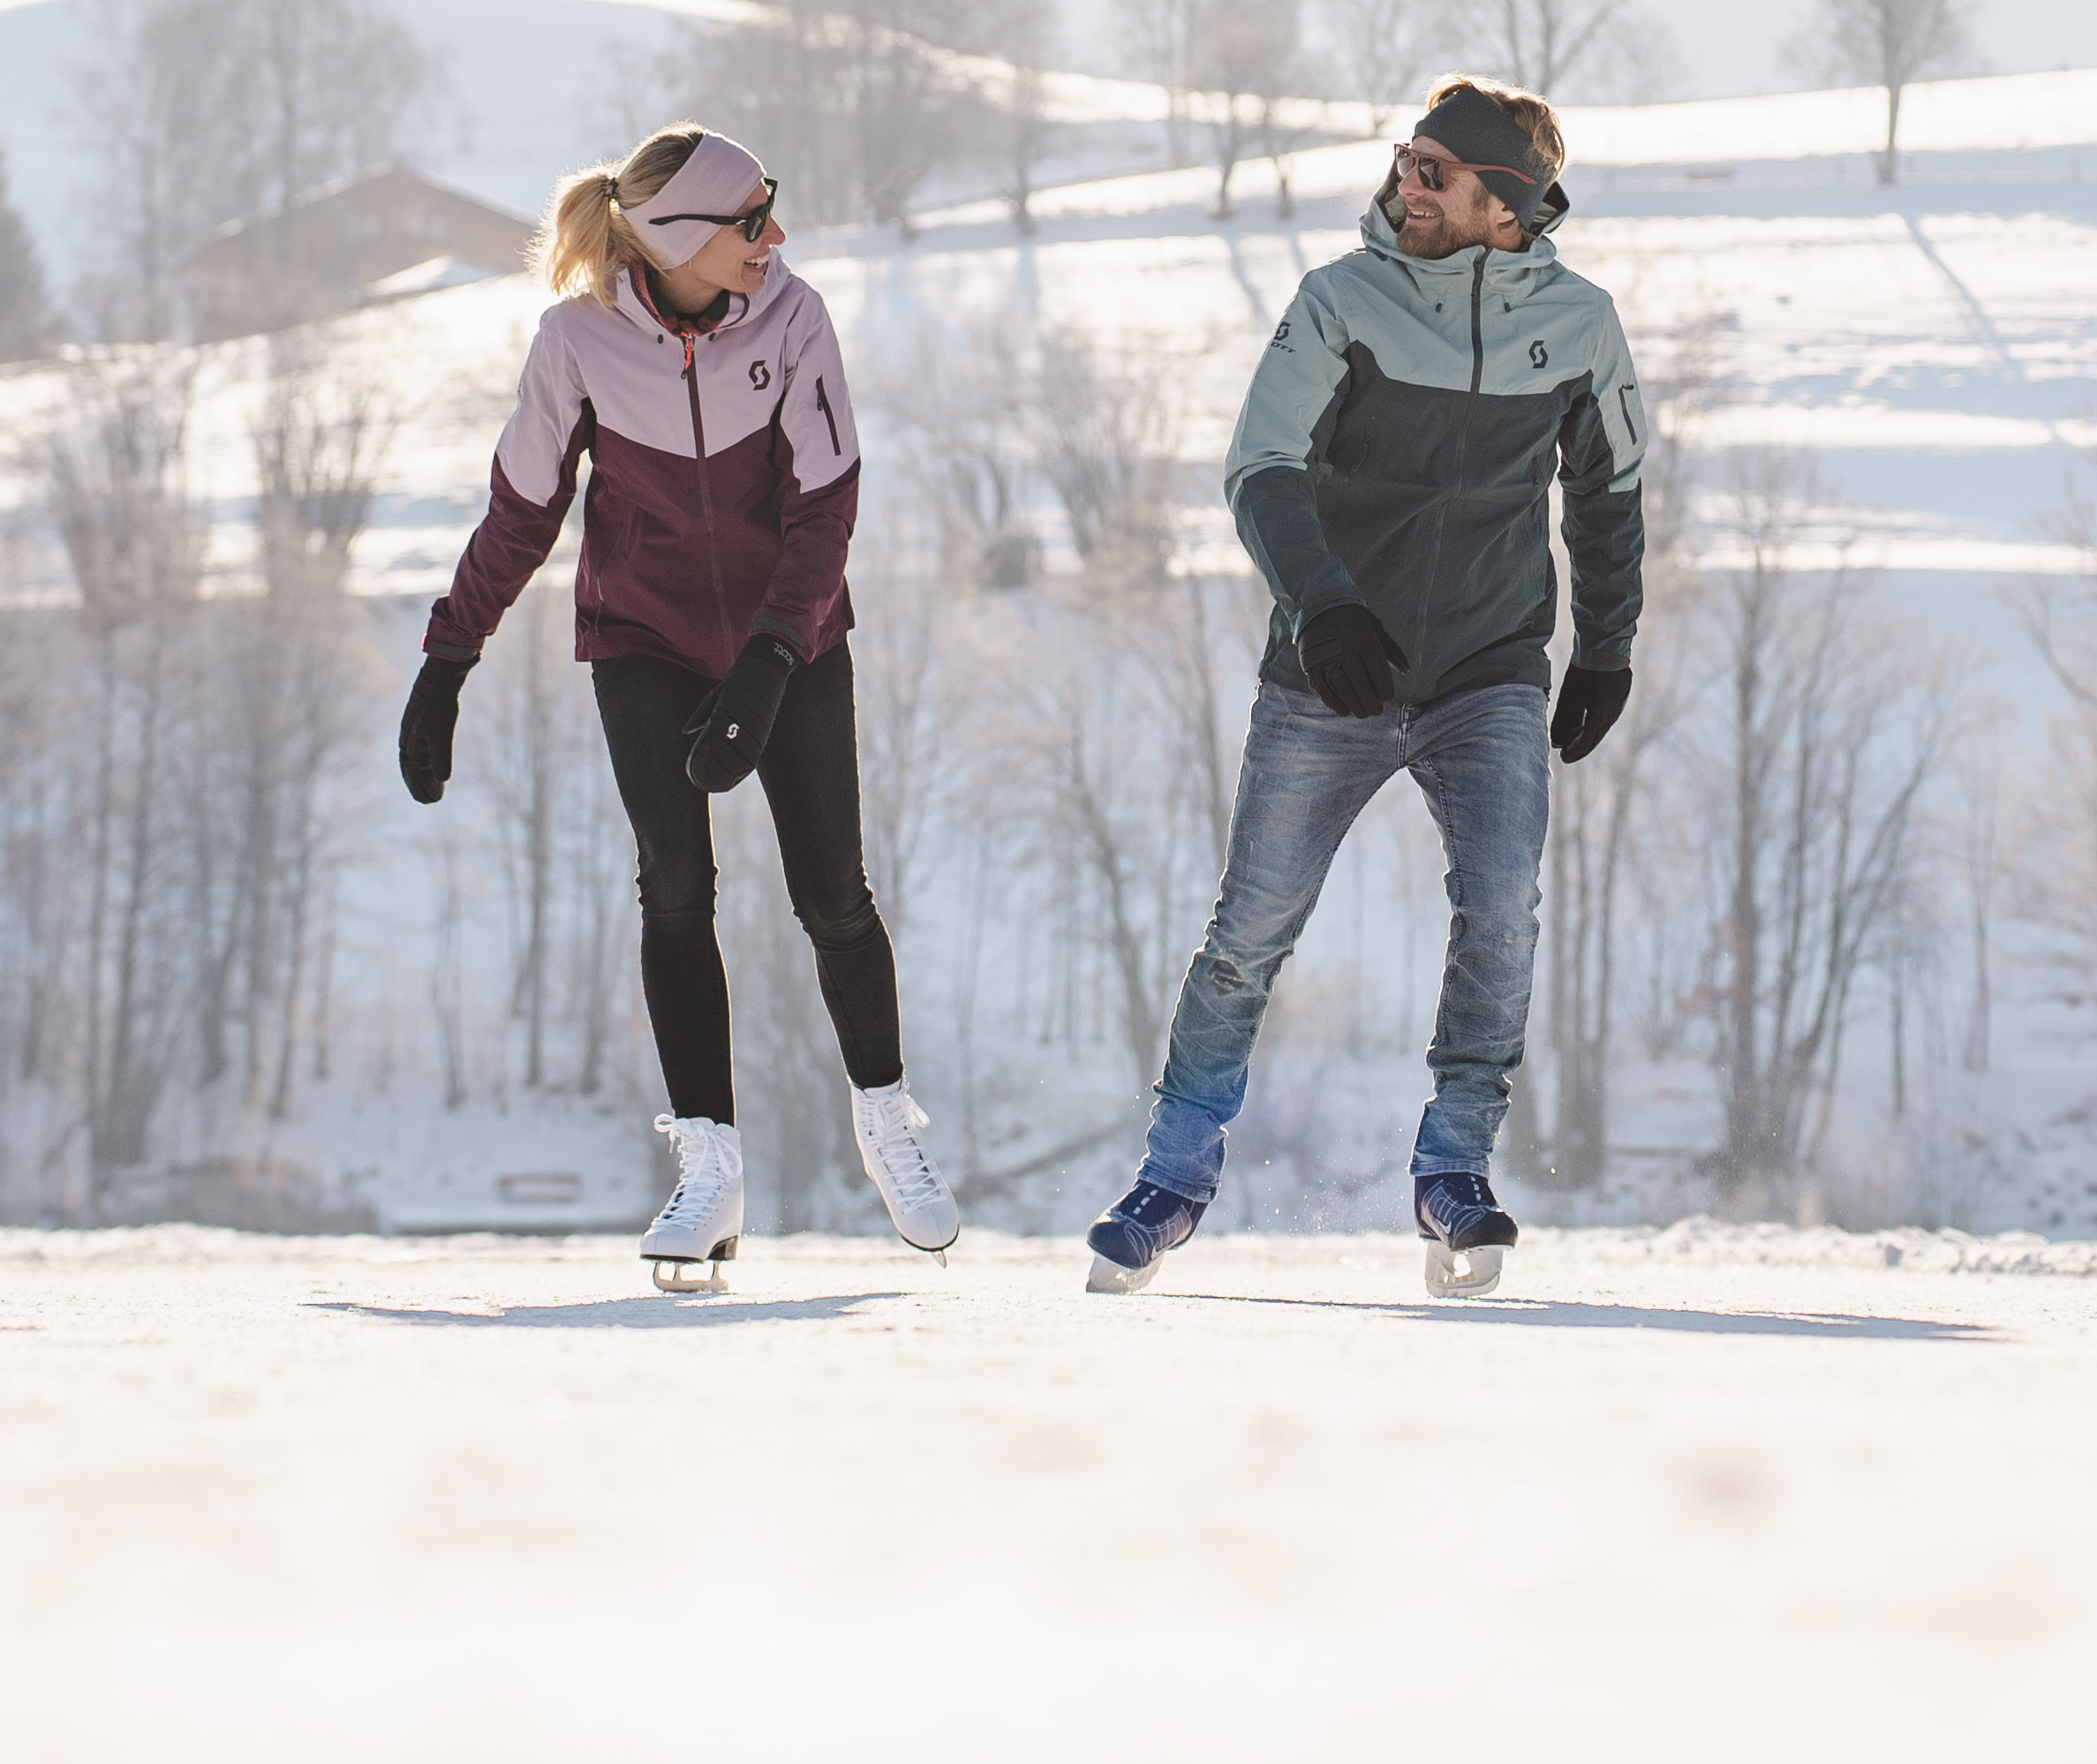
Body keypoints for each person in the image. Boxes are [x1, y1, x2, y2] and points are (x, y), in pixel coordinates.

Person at [1083, 77, 1648, 1298]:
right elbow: (1261, 464)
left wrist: (1605, 647)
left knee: (1501, 911)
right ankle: (1171, 1179)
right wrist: (1323, 603)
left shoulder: (1582, 326)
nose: (1406, 183)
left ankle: (1453, 1172)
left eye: (1436, 171)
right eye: (1405, 159)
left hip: (1487, 672)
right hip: (1331, 672)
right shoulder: (1339, 301)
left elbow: (1608, 496)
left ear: (1507, 207)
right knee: (1249, 931)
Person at [397, 124, 956, 1293]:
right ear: (676, 238)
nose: (775, 235)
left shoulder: (794, 319)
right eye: (751, 219)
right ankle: (711, 1172)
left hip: (793, 636)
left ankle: (886, 1118)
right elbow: (522, 511)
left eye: (771, 206)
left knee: (832, 895)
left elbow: (826, 510)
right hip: (642, 639)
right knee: (673, 887)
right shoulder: (575, 342)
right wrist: (448, 659)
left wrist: (770, 660)